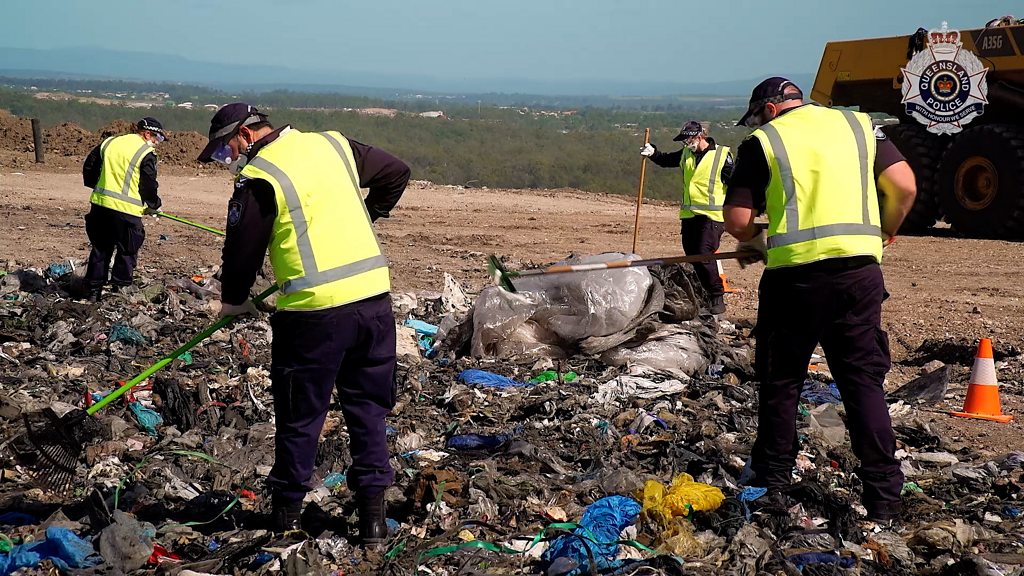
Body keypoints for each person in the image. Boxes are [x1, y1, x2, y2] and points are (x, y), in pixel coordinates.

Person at [197, 103, 411, 544]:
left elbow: (242, 251)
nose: (229, 158)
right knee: (368, 411)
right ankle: (372, 521)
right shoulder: (331, 145)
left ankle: (287, 519)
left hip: (314, 316)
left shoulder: (260, 177)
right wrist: (368, 215)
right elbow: (396, 172)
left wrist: (234, 302)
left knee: (301, 415)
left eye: (227, 149)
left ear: (245, 136)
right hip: (373, 303)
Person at [723, 77, 917, 526]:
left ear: (769, 110)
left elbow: (736, 220)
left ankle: (773, 484)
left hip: (795, 281)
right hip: (860, 276)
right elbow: (904, 186)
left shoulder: (764, 140)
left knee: (782, 380)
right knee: (862, 383)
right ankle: (885, 500)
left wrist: (755, 238)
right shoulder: (860, 125)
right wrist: (886, 229)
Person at [641, 120, 733, 314]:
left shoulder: (722, 156)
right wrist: (653, 153)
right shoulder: (686, 154)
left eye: (688, 140)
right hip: (689, 215)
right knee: (692, 255)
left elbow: (736, 182)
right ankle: (702, 295)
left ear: (700, 137)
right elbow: (667, 160)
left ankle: (717, 296)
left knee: (703, 253)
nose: (685, 144)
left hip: (712, 216)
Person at [82, 117, 167, 302]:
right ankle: (118, 292)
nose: (157, 143)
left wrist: (96, 187)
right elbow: (148, 184)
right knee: (127, 251)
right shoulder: (145, 151)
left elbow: (89, 167)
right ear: (146, 133)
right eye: (157, 138)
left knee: (100, 249)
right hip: (126, 211)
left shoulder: (110, 142)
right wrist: (154, 205)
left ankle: (93, 291)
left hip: (100, 205)